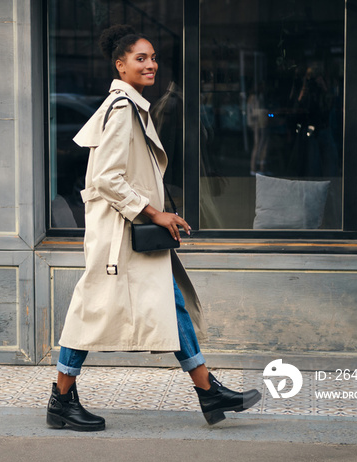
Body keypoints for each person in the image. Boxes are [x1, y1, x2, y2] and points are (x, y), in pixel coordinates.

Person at [46, 25, 261, 432]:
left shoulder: (131, 106)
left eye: (153, 57)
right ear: (120, 65)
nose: (151, 65)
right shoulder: (123, 109)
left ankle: (207, 390)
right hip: (118, 239)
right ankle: (60, 400)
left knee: (172, 304)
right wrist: (154, 212)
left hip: (128, 236)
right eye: (140, 58)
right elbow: (107, 178)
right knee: (87, 314)